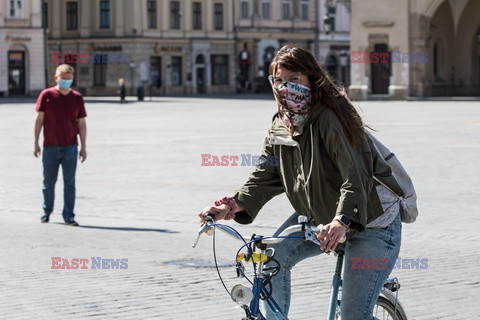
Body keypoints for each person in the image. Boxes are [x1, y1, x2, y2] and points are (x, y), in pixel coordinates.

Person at [198, 44, 404, 319]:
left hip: (373, 220)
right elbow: (265, 175)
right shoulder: (280, 124)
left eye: (294, 80)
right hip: (321, 217)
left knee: (354, 315)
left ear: (311, 79)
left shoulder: (331, 117)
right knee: (272, 258)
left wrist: (342, 221)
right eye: (279, 80)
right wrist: (231, 206)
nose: (286, 87)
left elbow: (355, 174)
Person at [34, 64, 87, 226]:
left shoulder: (77, 97)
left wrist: (83, 147)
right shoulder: (46, 95)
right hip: (50, 146)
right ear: (56, 77)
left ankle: (68, 215)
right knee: (48, 182)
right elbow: (39, 120)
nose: (66, 81)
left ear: (72, 79)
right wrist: (36, 143)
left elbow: (82, 123)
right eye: (63, 78)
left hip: (71, 146)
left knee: (69, 183)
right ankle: (46, 211)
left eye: (69, 79)